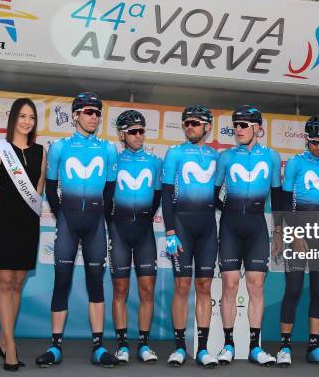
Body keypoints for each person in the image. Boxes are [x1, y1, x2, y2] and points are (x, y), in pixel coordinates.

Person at [35, 92, 119, 368]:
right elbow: (50, 186)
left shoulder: (107, 149)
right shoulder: (59, 148)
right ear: (75, 115)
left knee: (95, 284)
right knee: (62, 282)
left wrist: (102, 219)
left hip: (95, 223)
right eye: (88, 112)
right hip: (68, 222)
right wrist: (62, 217)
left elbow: (109, 189)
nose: (94, 117)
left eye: (97, 113)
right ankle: (55, 345)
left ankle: (98, 346)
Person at [0, 98, 46, 371]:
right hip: (2, 222)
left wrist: (26, 213)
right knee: (5, 282)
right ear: (13, 119)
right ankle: (11, 347)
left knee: (18, 283)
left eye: (31, 117)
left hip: (27, 224)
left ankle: (2, 341)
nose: (27, 121)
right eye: (22, 116)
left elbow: (38, 191)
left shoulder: (42, 151)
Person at [214, 105, 282, 367]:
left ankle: (255, 346)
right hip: (231, 226)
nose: (238, 129)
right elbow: (213, 193)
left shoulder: (272, 157)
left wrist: (279, 230)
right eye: (235, 125)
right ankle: (228, 343)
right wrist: (228, 210)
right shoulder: (226, 157)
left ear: (257, 128)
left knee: (256, 286)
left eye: (243, 125)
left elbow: (276, 196)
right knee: (230, 285)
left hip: (257, 226)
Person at [272, 115, 319, 367]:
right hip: (297, 229)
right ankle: (285, 345)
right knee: (294, 289)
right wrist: (295, 233)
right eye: (315, 143)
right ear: (306, 139)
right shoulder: (295, 164)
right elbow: (285, 202)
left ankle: (314, 346)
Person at [162, 105, 220, 368]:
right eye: (186, 123)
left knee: (204, 286)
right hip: (182, 225)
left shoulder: (216, 156)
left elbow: (218, 195)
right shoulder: (174, 153)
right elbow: (165, 195)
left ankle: (204, 348)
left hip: (208, 227)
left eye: (195, 123)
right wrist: (170, 232)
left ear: (207, 126)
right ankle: (179, 347)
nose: (189, 127)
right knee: (182, 286)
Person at [109, 110, 162, 364]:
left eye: (142, 131)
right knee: (120, 289)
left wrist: (143, 217)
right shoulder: (114, 160)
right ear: (122, 134)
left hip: (144, 230)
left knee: (147, 290)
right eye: (133, 131)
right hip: (118, 229)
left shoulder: (154, 161)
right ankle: (122, 344)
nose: (139, 136)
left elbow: (158, 196)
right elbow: (106, 196)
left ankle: (143, 343)